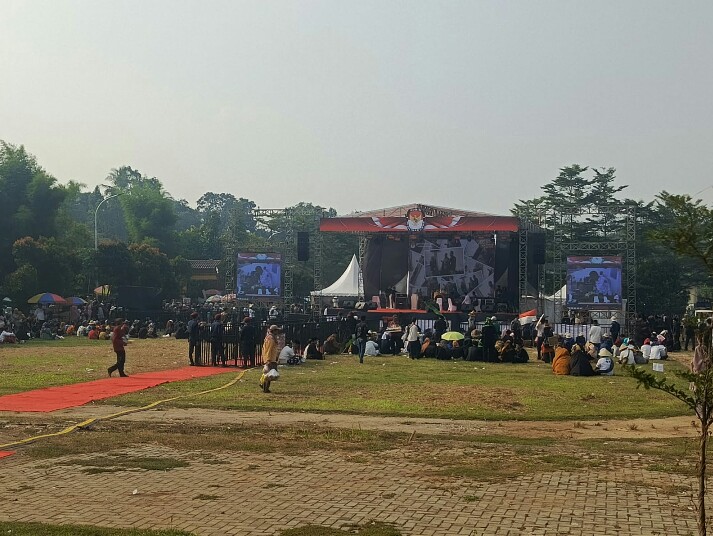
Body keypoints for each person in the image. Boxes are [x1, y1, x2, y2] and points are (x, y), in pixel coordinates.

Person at [260, 325, 281, 393]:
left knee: (270, 375)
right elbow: (268, 349)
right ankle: (265, 387)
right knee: (269, 375)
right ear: (274, 331)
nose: (277, 331)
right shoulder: (271, 339)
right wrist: (268, 359)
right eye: (276, 330)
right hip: (270, 359)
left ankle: (264, 386)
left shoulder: (271, 337)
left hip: (272, 358)